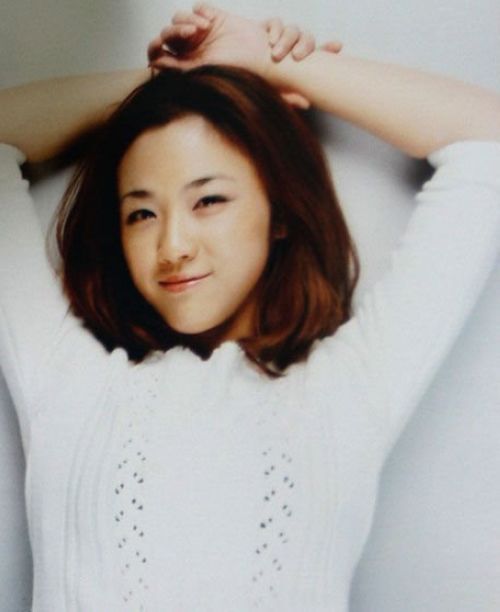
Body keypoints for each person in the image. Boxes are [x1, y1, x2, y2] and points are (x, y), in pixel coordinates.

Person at [0, 3, 499, 610]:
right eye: (142, 213)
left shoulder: (347, 394)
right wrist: (173, 80)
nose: (173, 247)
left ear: (280, 212)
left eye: (208, 200)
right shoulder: (66, 384)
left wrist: (269, 65)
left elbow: (488, 141)